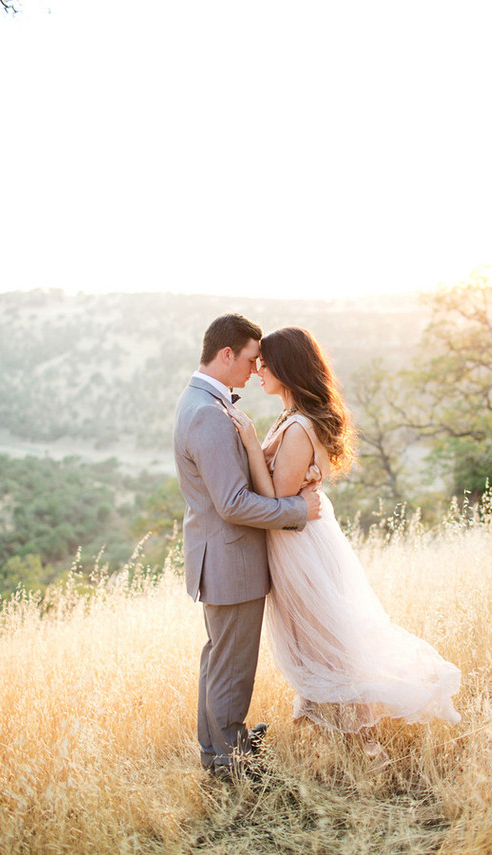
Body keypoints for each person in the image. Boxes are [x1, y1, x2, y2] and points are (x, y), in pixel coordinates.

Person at [231, 326, 461, 747]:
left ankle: (368, 749)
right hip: (297, 539)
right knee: (314, 640)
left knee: (329, 645)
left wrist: (249, 444)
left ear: (287, 367)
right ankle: (324, 740)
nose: (258, 370)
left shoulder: (299, 427)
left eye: (265, 363)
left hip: (298, 543)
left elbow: (279, 498)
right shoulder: (291, 418)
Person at [173, 314, 321, 779]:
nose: (256, 370)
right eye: (252, 359)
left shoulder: (202, 402)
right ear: (227, 355)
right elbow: (234, 503)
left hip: (220, 555)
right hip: (229, 557)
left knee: (221, 658)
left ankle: (222, 744)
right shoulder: (206, 413)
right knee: (232, 664)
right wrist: (299, 511)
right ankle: (227, 763)